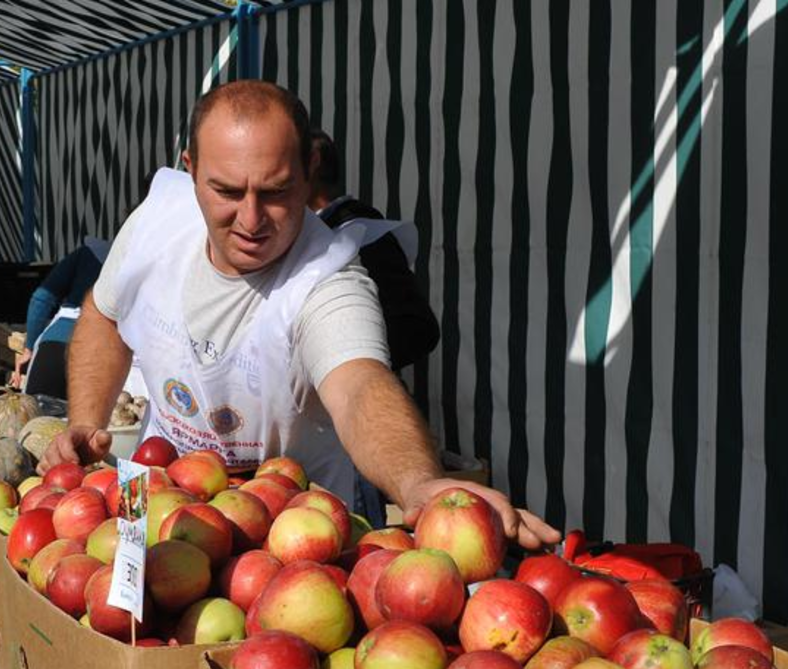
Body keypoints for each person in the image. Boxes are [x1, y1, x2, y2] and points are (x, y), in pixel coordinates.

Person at [42, 81, 555, 547]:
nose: (250, 219)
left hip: (291, 539)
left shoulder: (326, 277)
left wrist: (417, 482)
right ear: (191, 170)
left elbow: (359, 385)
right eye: (226, 191)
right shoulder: (156, 222)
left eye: (275, 191)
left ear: (310, 173)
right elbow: (104, 314)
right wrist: (87, 422)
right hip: (156, 512)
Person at [306, 129, 442, 525]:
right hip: (166, 480)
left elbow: (419, 327)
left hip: (342, 431)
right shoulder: (167, 234)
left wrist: (345, 357)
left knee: (346, 532)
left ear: (310, 167)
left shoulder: (355, 232)